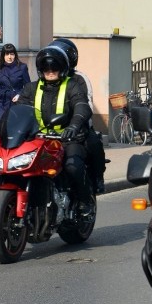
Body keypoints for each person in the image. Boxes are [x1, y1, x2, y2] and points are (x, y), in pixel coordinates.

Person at [14, 42, 94, 210]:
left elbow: (81, 105)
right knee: (16, 167)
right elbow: (17, 111)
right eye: (46, 68)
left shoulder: (72, 85)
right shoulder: (31, 88)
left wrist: (74, 126)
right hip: (38, 140)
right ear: (40, 70)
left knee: (73, 167)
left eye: (54, 68)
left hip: (67, 139)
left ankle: (84, 202)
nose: (50, 72)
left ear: (62, 68)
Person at [48, 37, 107, 194]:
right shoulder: (47, 79)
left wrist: (75, 125)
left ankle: (97, 179)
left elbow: (84, 104)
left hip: (77, 129)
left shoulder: (79, 79)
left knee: (94, 143)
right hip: (49, 132)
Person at [0, 43, 30, 123]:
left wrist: (19, 95)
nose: (9, 57)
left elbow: (28, 86)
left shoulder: (22, 67)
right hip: (1, 103)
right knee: (1, 126)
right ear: (3, 55)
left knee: (12, 126)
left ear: (15, 55)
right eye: (7, 54)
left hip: (15, 102)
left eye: (12, 54)